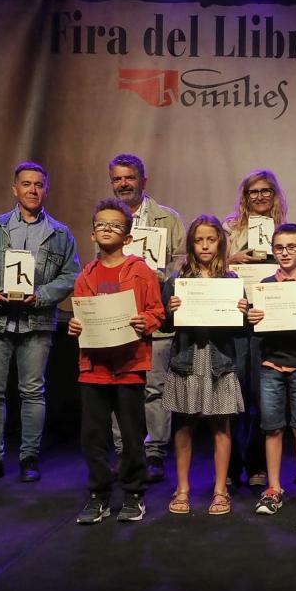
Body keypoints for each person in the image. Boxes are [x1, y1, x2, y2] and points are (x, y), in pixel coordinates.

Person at [0, 162, 79, 484]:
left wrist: (40, 295)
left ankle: (29, 457)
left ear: (46, 189)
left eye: (38, 184)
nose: (32, 190)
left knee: (33, 392)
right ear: (15, 189)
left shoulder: (60, 233)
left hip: (36, 322)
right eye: (26, 184)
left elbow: (71, 275)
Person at [67, 198, 165, 524]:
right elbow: (80, 316)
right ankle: (99, 494)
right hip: (94, 368)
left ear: (127, 235)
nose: (107, 229)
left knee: (132, 436)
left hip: (129, 366)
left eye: (115, 225)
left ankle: (134, 493)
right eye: (101, 225)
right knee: (92, 436)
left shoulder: (140, 271)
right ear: (93, 234)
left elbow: (157, 312)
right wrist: (74, 326)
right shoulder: (86, 276)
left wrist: (146, 322)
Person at [161, 215, 249, 516]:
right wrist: (171, 311)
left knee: (221, 427)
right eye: (199, 240)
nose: (205, 245)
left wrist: (241, 312)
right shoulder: (177, 281)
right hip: (187, 360)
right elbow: (166, 324)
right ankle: (182, 489)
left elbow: (242, 329)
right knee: (184, 426)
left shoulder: (231, 281)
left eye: (211, 239)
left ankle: (220, 490)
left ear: (220, 242)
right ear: (191, 244)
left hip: (218, 362)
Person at [108, 153, 185, 483]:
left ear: (143, 180)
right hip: (119, 316)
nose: (124, 183)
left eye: (130, 177)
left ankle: (154, 453)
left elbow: (184, 259)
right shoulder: (109, 219)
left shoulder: (168, 219)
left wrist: (160, 276)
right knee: (120, 385)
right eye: (118, 179)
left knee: (155, 387)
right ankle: (124, 449)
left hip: (156, 315)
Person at [245, 224, 296, 515]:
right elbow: (255, 327)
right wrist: (252, 317)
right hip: (271, 365)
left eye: (292, 247)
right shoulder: (266, 284)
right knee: (272, 427)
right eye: (279, 248)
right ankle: (274, 487)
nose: (285, 253)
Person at [224, 169, 290, 488]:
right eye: (253, 192)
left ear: (275, 195)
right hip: (236, 323)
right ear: (244, 197)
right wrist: (232, 257)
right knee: (235, 397)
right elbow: (208, 265)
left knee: (264, 399)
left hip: (270, 323)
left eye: (266, 191)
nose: (260, 197)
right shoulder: (228, 229)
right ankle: (231, 464)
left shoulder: (286, 231)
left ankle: (257, 464)